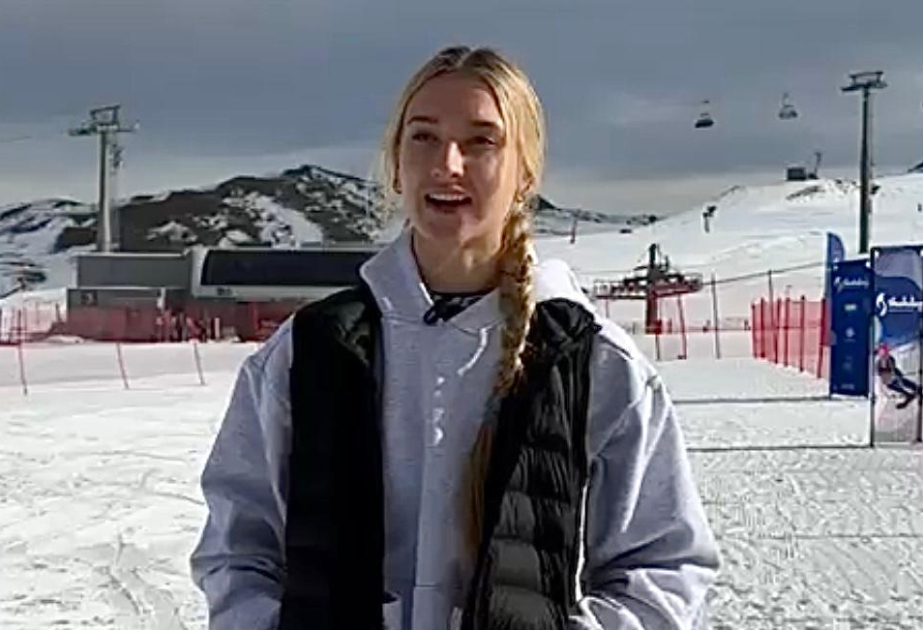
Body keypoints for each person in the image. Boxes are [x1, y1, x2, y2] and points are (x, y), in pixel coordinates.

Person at [190, 45, 720, 630]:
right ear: (396, 164)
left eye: (481, 141)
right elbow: (238, 548)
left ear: (525, 173)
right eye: (423, 137)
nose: (447, 163)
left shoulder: (588, 359)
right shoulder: (312, 349)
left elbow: (663, 564)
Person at [876, 343, 922, 410]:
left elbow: (891, 368)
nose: (882, 353)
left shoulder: (889, 359)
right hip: (888, 378)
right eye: (881, 352)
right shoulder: (880, 361)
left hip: (892, 376)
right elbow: (880, 371)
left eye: (883, 351)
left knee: (901, 382)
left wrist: (892, 373)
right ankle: (910, 393)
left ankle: (915, 391)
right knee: (895, 384)